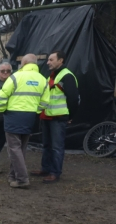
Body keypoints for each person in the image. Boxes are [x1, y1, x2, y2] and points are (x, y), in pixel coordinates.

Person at [0, 54, 49, 188]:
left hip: (13, 116)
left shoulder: (15, 77)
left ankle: (22, 179)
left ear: (24, 63)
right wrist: (35, 111)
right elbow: (45, 102)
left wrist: (2, 110)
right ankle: (13, 176)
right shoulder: (43, 80)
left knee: (14, 148)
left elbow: (2, 96)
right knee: (21, 148)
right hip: (30, 117)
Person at [31, 50, 79, 183]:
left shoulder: (67, 76)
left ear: (60, 60)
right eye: (48, 60)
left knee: (56, 147)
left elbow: (74, 99)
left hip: (58, 118)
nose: (48, 62)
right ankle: (45, 168)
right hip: (47, 116)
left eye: (51, 60)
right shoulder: (51, 76)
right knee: (46, 145)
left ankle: (55, 172)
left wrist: (70, 116)